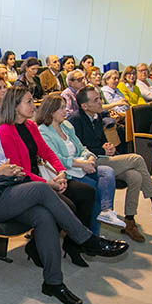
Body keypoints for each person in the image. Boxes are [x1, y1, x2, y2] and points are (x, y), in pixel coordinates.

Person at [0, 88, 129, 304]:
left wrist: (11, 170)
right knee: (41, 190)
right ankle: (86, 239)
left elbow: (3, 162)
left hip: (3, 190)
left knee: (43, 215)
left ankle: (53, 282)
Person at [70, 86, 152, 241]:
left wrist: (108, 146)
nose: (101, 102)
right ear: (85, 106)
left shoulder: (96, 116)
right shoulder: (76, 120)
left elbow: (101, 141)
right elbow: (79, 149)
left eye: (99, 98)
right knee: (137, 159)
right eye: (96, 100)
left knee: (135, 177)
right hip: (89, 162)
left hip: (102, 157)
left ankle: (130, 222)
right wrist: (102, 150)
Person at [0, 86, 100, 249]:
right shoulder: (5, 132)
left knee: (87, 192)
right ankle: (38, 248)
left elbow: (47, 152)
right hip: (23, 184)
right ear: (15, 106)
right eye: (29, 102)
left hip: (41, 178)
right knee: (68, 206)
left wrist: (61, 172)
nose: (34, 106)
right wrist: (48, 183)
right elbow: (20, 172)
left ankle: (74, 247)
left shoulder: (30, 126)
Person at [34, 94, 123, 230]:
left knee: (107, 172)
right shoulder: (43, 131)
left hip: (82, 165)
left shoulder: (66, 126)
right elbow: (56, 159)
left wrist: (90, 157)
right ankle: (92, 233)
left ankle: (106, 211)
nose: (65, 111)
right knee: (95, 188)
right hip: (67, 171)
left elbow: (81, 148)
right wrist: (81, 164)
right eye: (62, 108)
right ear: (51, 111)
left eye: (65, 107)